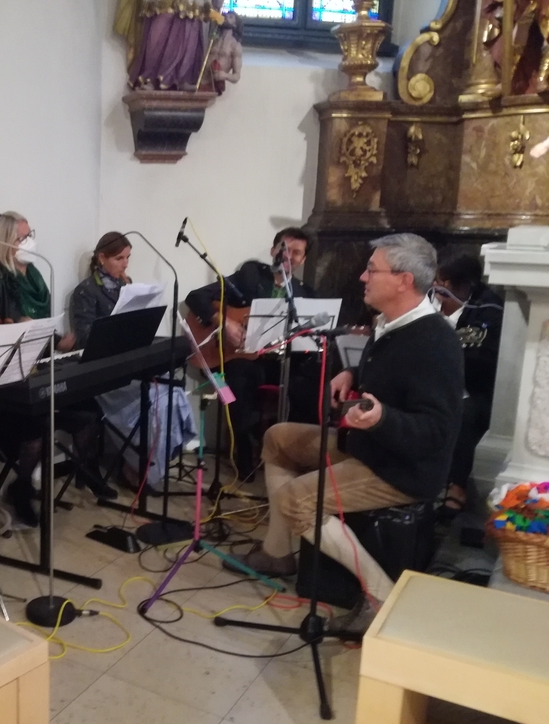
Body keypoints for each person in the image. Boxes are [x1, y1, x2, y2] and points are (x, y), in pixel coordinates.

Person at [225, 234, 464, 629]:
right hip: (371, 446)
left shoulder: (435, 342)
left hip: (402, 470)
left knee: (298, 500)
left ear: (404, 281)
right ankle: (277, 552)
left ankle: (381, 597)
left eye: (372, 269)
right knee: (277, 439)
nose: (362, 277)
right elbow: (390, 371)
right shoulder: (393, 322)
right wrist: (352, 372)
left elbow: (436, 432)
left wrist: (383, 418)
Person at [0, 212, 115, 528]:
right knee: (34, 430)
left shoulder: (35, 278)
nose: (29, 242)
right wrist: (15, 329)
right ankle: (21, 490)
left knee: (89, 410)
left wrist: (59, 341)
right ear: (4, 242)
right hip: (7, 383)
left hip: (39, 369)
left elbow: (41, 330)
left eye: (29, 234)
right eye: (21, 237)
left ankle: (88, 471)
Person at [185, 227, 318, 481]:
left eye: (296, 252)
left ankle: (297, 454)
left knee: (309, 383)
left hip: (276, 361)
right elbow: (196, 297)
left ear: (303, 260)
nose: (288, 256)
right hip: (234, 358)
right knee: (241, 376)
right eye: (284, 249)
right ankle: (243, 453)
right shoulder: (250, 275)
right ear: (273, 250)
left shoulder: (306, 294)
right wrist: (225, 322)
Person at [70, 231, 196, 490]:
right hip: (103, 372)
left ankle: (146, 464)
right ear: (101, 258)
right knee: (154, 404)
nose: (125, 264)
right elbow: (84, 339)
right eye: (119, 258)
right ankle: (134, 466)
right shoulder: (86, 291)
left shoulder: (127, 286)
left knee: (173, 394)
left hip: (128, 365)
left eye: (128, 258)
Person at [433, 251, 504, 520]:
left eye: (443, 284)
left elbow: (483, 363)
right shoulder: (428, 301)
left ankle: (457, 486)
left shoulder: (489, 310)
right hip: (439, 381)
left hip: (476, 389)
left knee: (466, 411)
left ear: (463, 286)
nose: (437, 291)